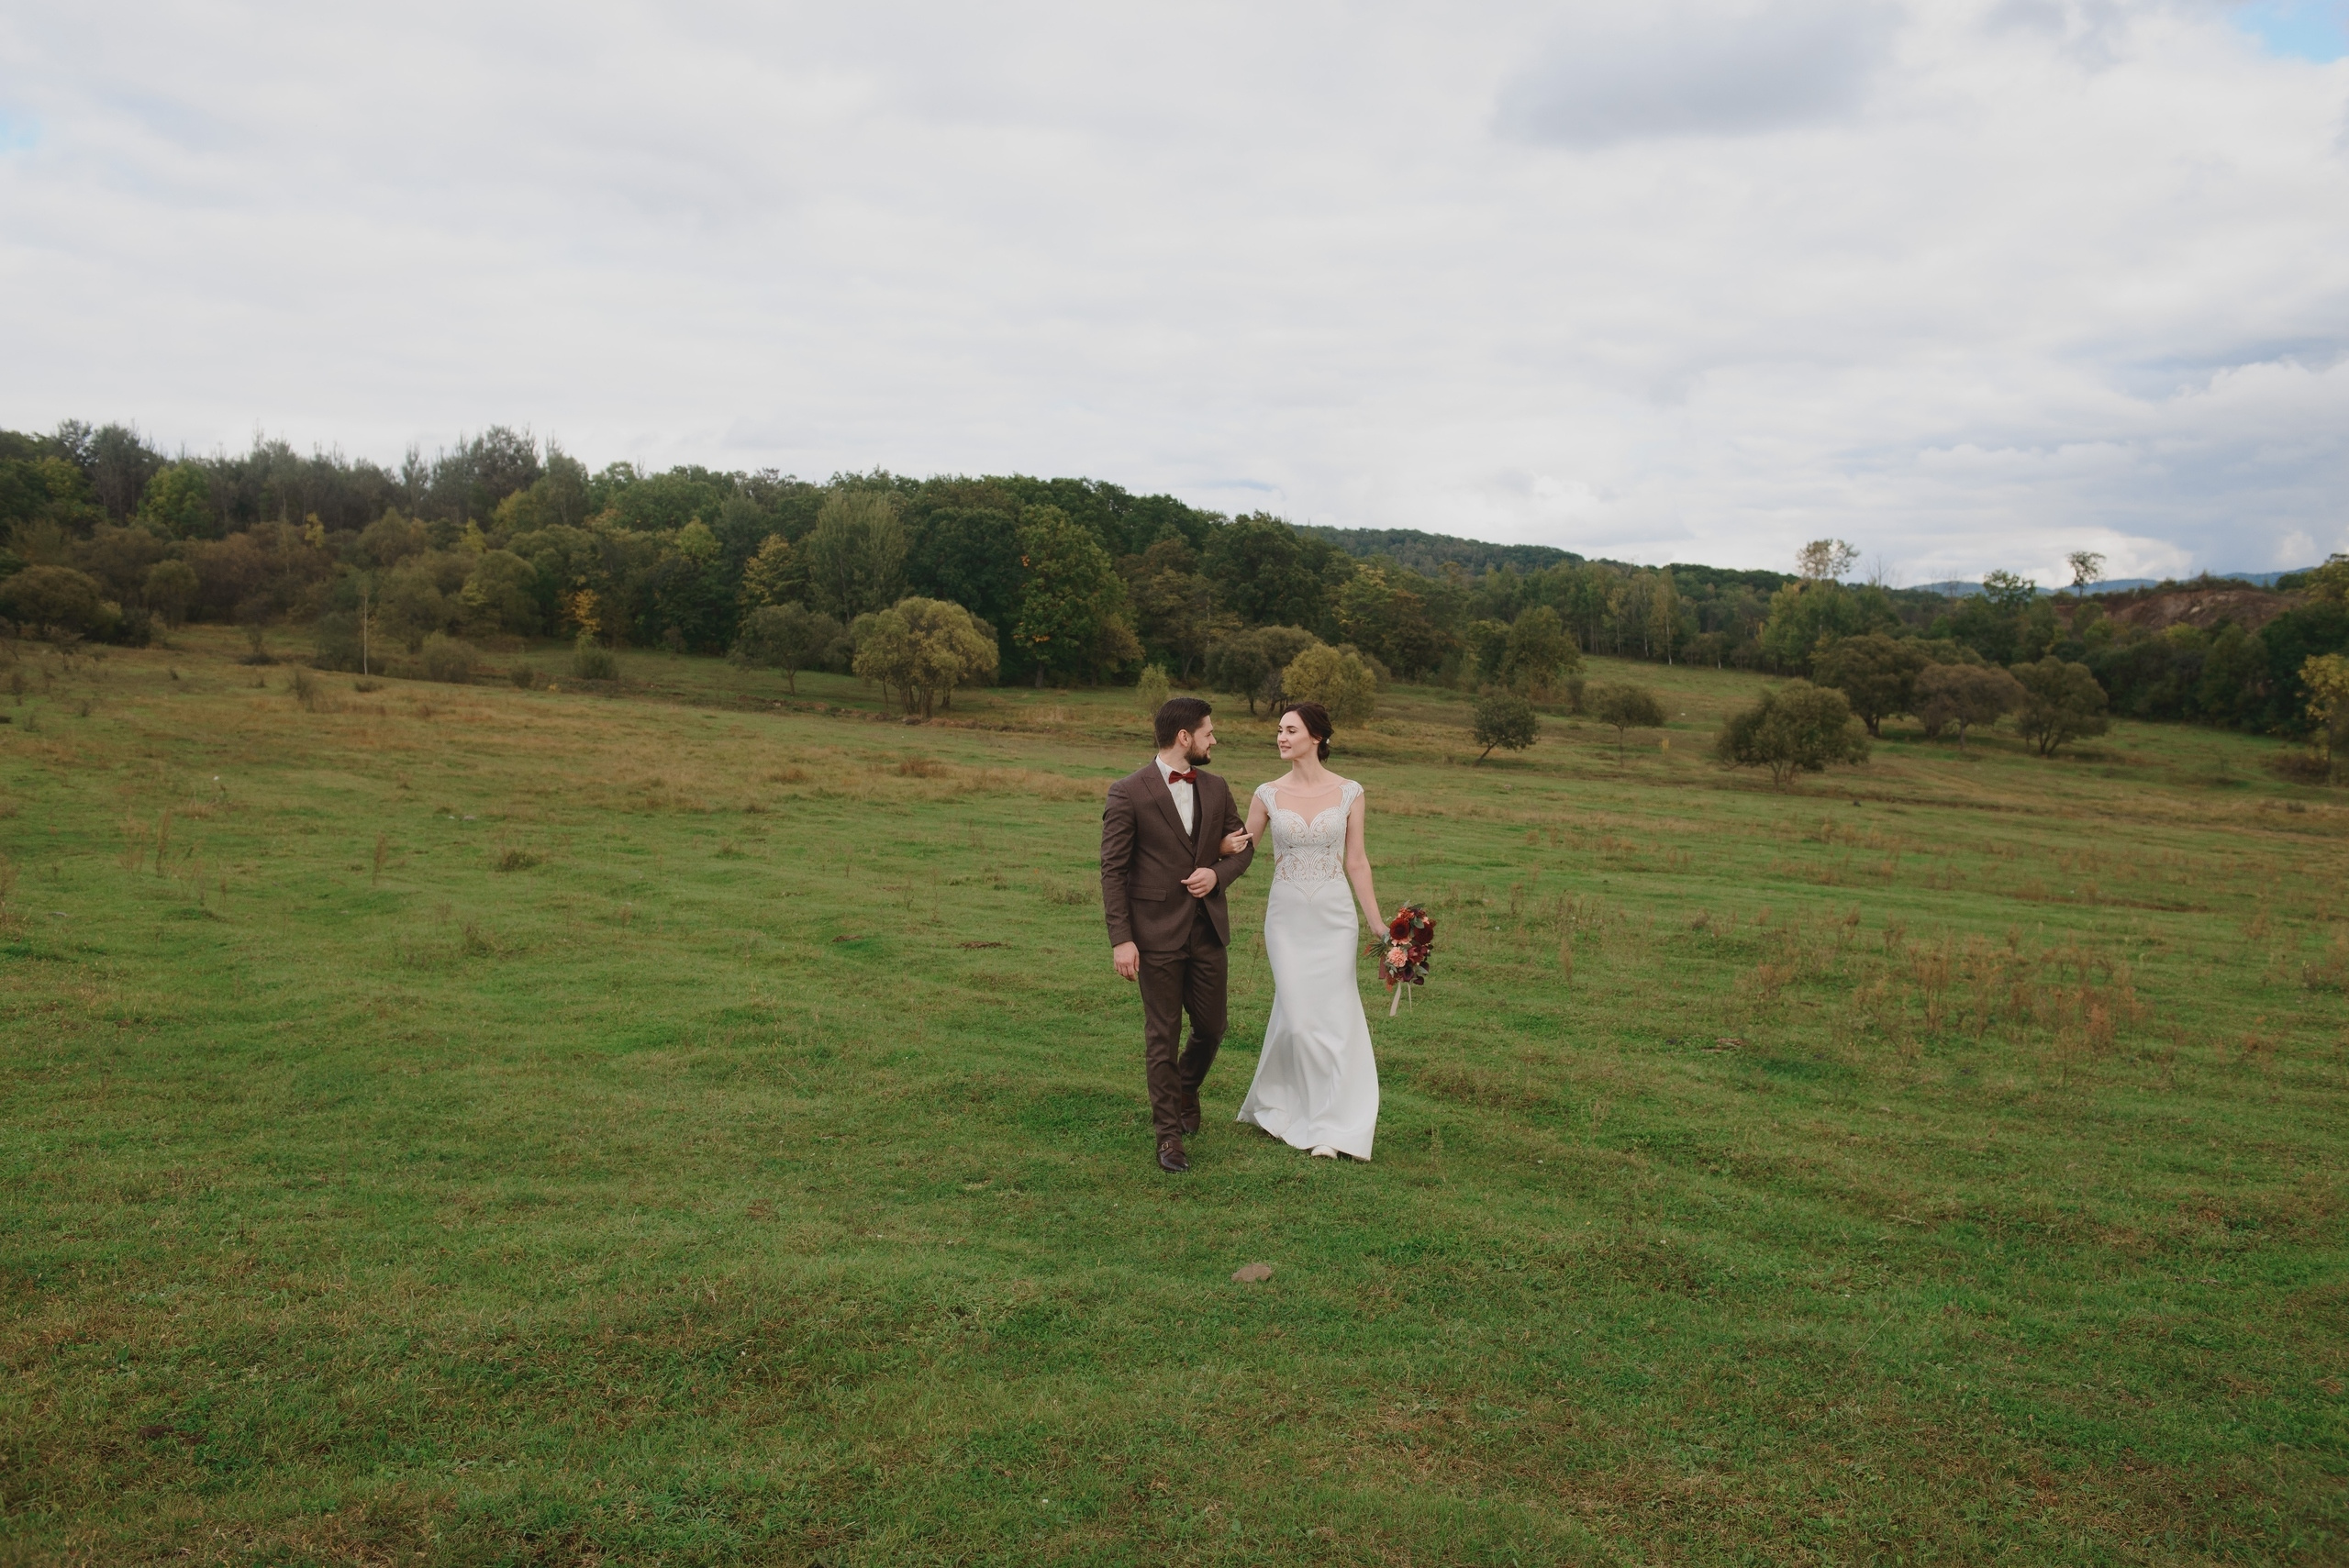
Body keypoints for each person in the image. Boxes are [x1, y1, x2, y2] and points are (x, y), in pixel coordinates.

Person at [1100, 695, 1257, 1173]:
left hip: (1207, 930)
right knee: (1162, 1036)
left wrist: (1217, 873)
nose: (1215, 740)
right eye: (1209, 732)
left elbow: (1243, 848)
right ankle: (1168, 1136)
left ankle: (1186, 1087)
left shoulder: (1216, 786)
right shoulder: (1128, 791)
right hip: (1153, 935)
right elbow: (1113, 869)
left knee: (1212, 1028)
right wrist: (1121, 939)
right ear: (1184, 737)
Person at [1235, 701, 1382, 1160]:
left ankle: (1331, 1129)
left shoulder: (1351, 792)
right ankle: (1280, 1104)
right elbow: (1243, 848)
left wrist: (1377, 922)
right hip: (1287, 920)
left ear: (1316, 737)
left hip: (1335, 919)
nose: (1281, 737)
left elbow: (1356, 860)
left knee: (1334, 1019)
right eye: (1279, 730)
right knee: (1298, 1021)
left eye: (1290, 730)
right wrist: (1211, 846)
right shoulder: (1266, 793)